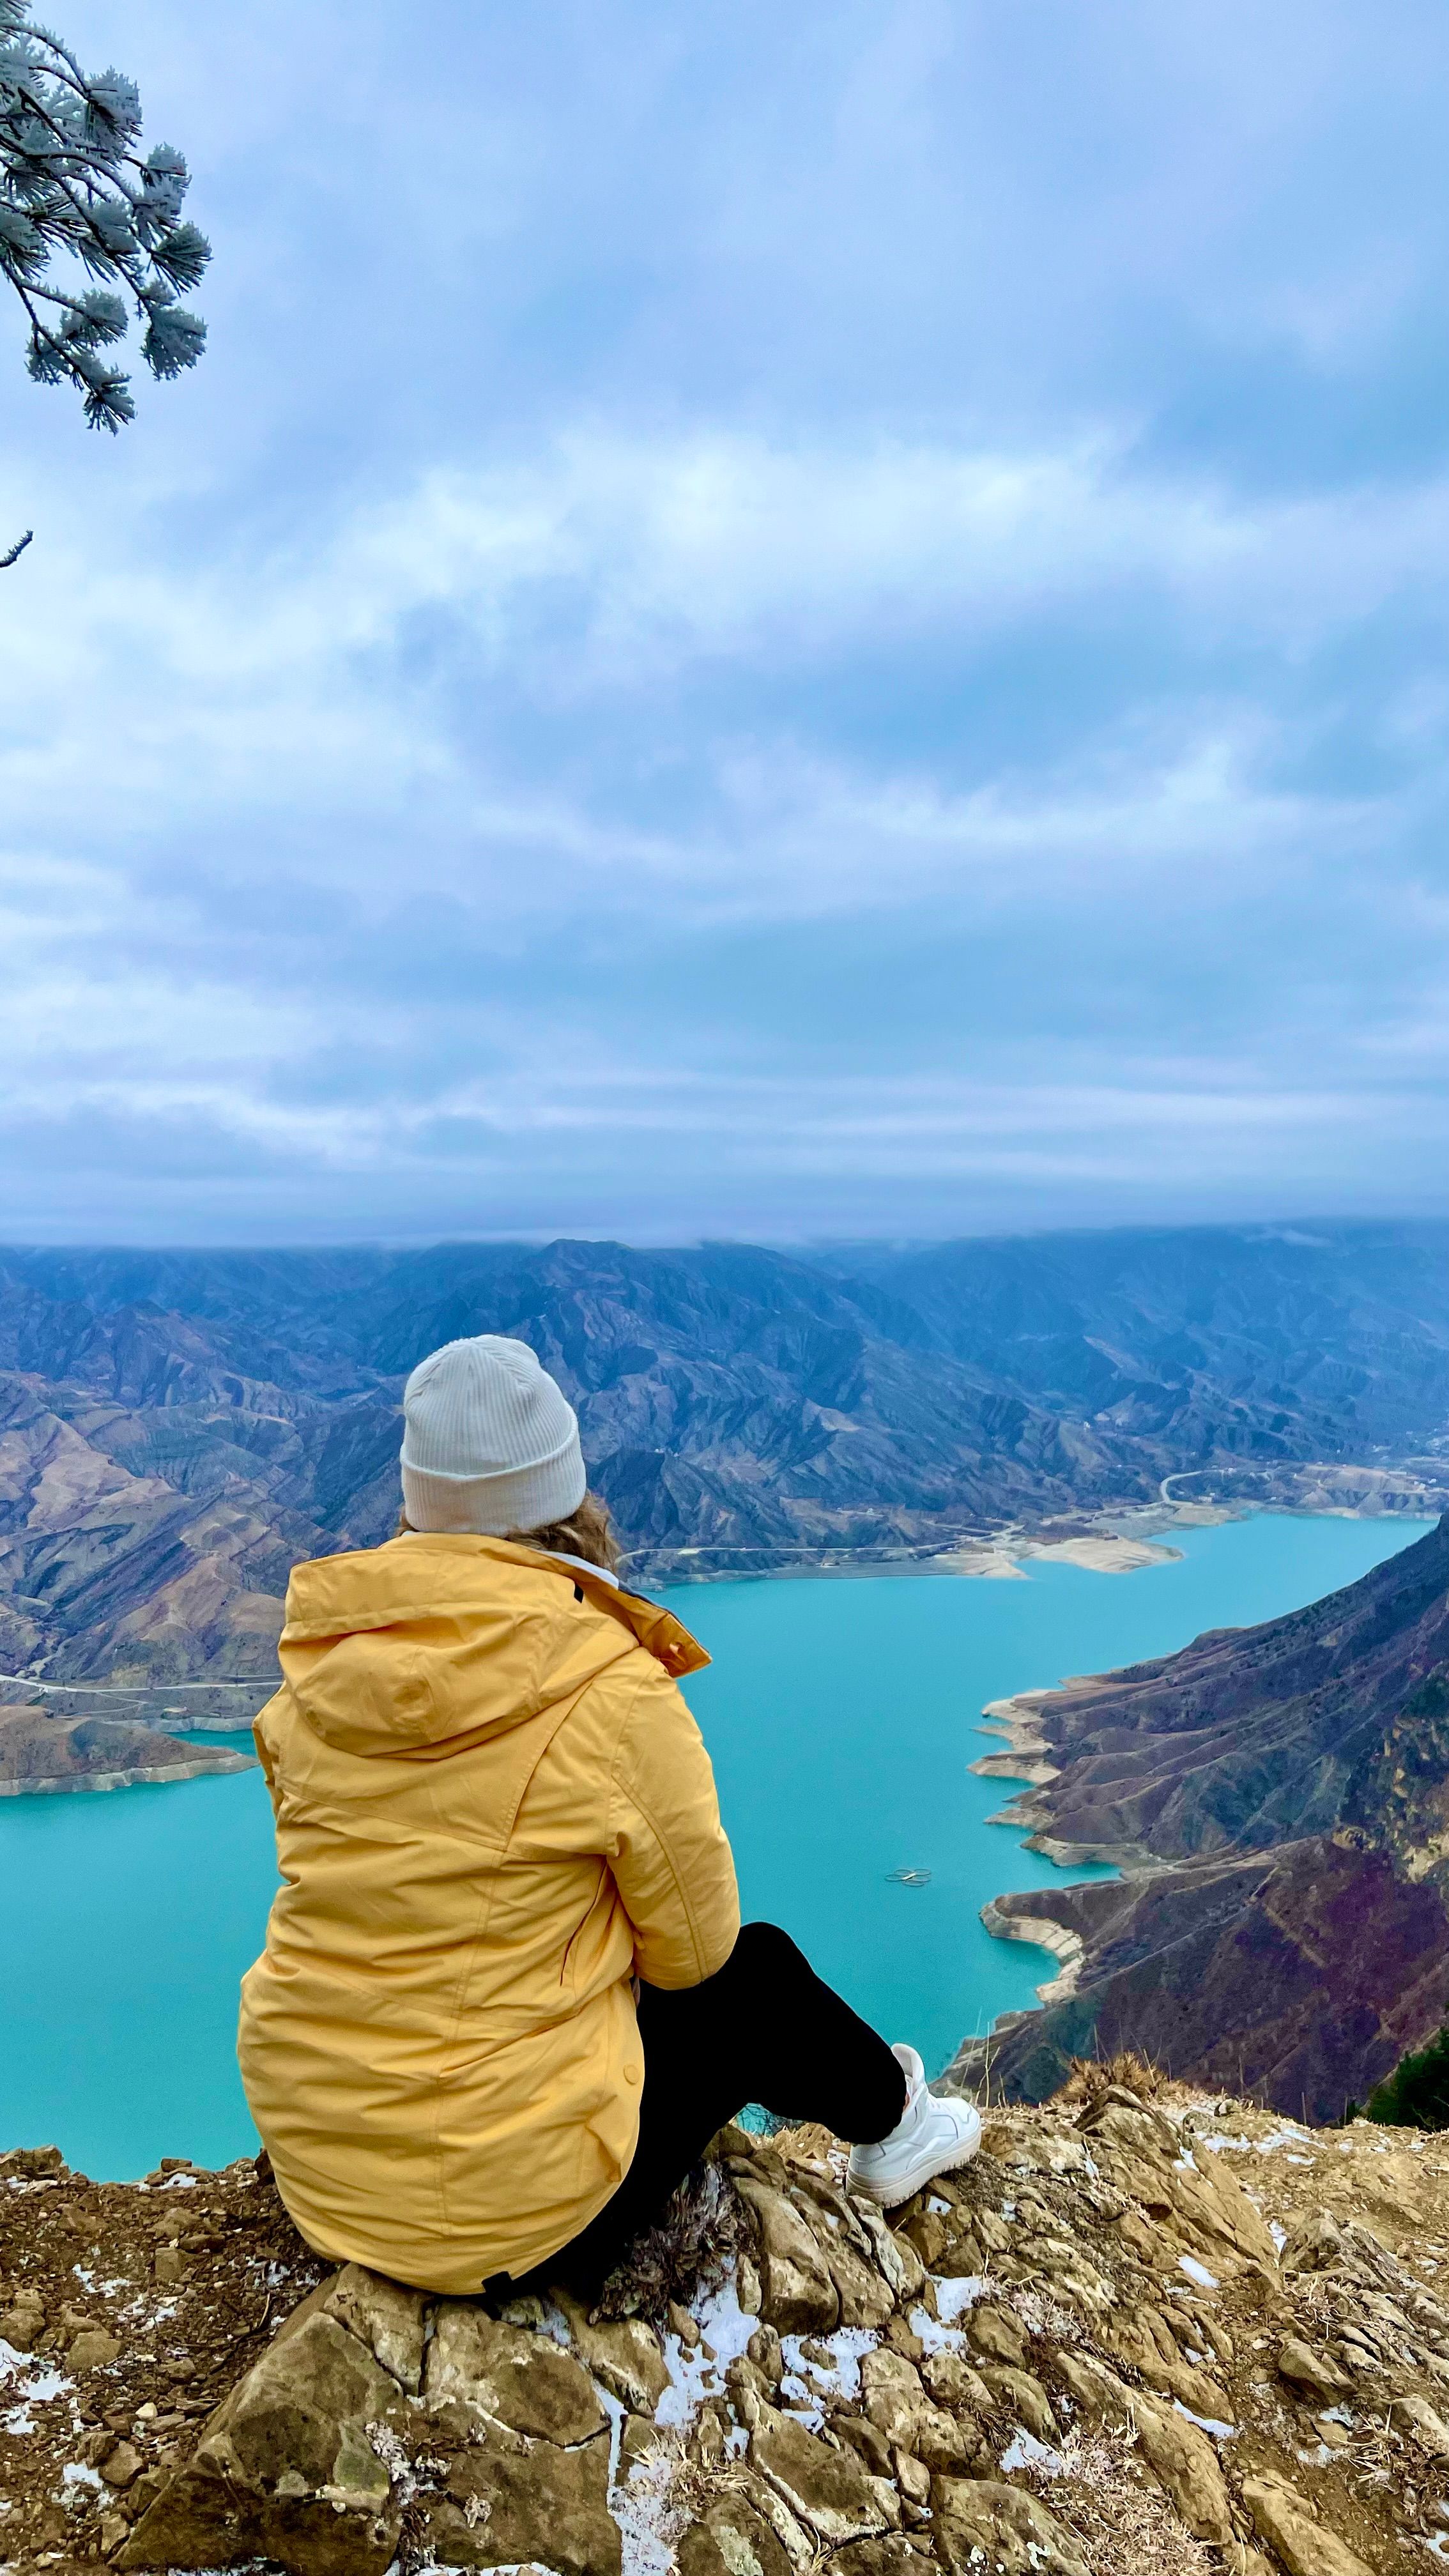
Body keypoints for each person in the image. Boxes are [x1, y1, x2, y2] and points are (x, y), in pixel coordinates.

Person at [238, 1335, 981, 2298]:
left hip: (324, 2175)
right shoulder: (609, 1689)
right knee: (755, 1976)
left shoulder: (318, 1675)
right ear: (568, 1501)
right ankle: (897, 2126)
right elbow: (696, 1958)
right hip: (506, 2219)